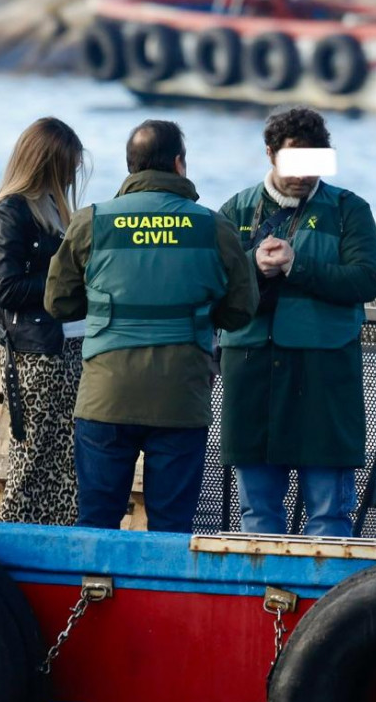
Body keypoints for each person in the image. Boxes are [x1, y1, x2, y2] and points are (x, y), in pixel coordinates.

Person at [45, 119, 257, 532]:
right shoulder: (215, 228)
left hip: (106, 395)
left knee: (97, 522)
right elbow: (240, 311)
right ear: (179, 164)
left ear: (131, 166)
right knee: (171, 526)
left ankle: (93, 594)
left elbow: (58, 302)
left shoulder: (92, 222)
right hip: (181, 397)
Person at [219, 106, 376, 537]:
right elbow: (212, 288)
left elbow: (367, 279)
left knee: (329, 516)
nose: (302, 174)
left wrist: (298, 266)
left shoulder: (349, 210)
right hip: (253, 370)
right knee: (257, 516)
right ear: (270, 154)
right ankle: (261, 604)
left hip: (323, 373)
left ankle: (324, 600)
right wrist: (253, 267)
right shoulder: (235, 210)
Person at [0, 116, 88, 526]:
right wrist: (66, 283)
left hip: (67, 349)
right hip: (34, 354)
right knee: (33, 458)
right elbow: (4, 289)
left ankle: (57, 545)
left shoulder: (54, 210)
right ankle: (18, 535)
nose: (74, 173)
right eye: (69, 165)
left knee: (65, 464)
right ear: (49, 162)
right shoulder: (12, 213)